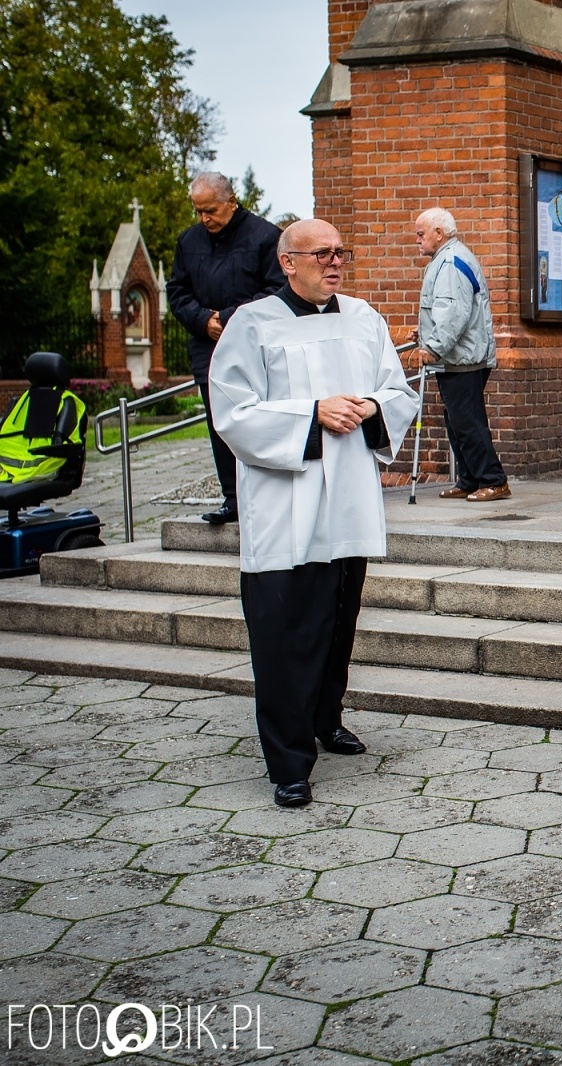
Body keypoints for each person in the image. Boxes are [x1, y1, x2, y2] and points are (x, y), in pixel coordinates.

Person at [209, 219, 419, 808]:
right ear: (287, 262)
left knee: (336, 620)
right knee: (284, 631)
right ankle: (289, 761)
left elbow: (399, 392)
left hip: (347, 500)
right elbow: (232, 410)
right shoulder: (252, 325)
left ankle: (326, 718)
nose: (335, 262)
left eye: (340, 252)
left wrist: (373, 404)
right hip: (287, 503)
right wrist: (312, 414)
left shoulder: (364, 318)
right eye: (321, 253)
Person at [166, 173, 286, 525]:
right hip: (209, 348)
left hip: (254, 346)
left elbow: (277, 289)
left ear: (231, 202)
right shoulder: (188, 241)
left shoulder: (265, 237)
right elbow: (177, 291)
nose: (205, 219)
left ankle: (268, 496)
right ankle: (232, 499)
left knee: (261, 419)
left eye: (211, 211)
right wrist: (203, 320)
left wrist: (231, 318)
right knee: (221, 423)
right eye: (199, 211)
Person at [412, 208, 509, 502]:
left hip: (462, 359)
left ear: (439, 233)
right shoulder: (446, 259)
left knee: (467, 422)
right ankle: (469, 480)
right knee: (457, 422)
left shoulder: (450, 263)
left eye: (421, 234)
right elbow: (446, 312)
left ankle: (494, 480)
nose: (417, 240)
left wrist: (432, 347)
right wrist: (425, 334)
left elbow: (454, 314)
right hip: (458, 357)